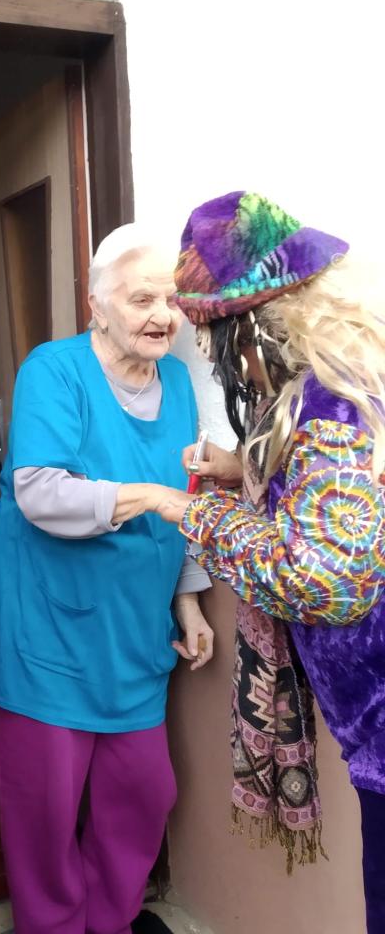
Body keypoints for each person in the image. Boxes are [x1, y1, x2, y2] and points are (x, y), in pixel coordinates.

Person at [135, 191, 385, 932]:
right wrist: (240, 465)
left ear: (254, 329)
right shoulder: (338, 387)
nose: (226, 365)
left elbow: (324, 579)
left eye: (218, 342)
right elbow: (328, 496)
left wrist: (189, 510)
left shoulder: (332, 405)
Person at [0, 224, 214, 934]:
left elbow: (187, 494)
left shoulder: (175, 381)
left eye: (171, 300)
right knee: (43, 814)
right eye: (142, 299)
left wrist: (189, 600)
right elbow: (40, 492)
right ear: (96, 305)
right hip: (43, 627)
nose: (162, 316)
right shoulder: (55, 370)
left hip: (132, 632)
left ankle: (109, 921)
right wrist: (150, 496)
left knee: (143, 792)